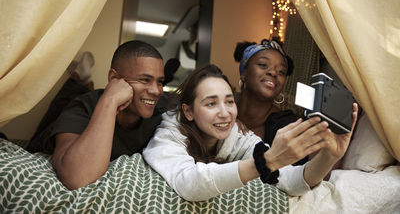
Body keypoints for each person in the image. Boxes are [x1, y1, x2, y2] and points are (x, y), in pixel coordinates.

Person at [143, 64, 358, 201]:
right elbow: (189, 183)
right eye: (210, 104)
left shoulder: (238, 137)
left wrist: (330, 156)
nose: (225, 113)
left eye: (229, 101)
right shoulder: (169, 133)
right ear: (188, 111)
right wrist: (264, 162)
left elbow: (288, 180)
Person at [48, 40, 165, 190]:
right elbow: (77, 178)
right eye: (145, 80)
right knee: (65, 99)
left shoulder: (164, 107)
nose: (156, 91)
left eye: (160, 82)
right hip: (52, 126)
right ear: (114, 78)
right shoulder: (82, 107)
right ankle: (78, 77)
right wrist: (109, 100)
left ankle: (85, 80)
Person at [234, 39, 309, 165]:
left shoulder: (287, 125)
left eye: (281, 72)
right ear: (244, 73)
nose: (273, 72)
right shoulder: (222, 109)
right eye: (263, 65)